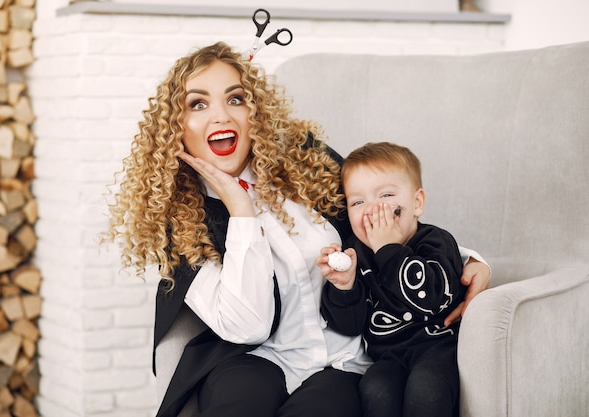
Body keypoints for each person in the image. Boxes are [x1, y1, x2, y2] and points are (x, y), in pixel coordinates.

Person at [102, 42, 490, 417]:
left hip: (344, 358)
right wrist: (241, 212)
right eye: (198, 104)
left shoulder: (307, 164)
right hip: (252, 358)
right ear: (175, 128)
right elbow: (249, 329)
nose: (221, 116)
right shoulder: (180, 221)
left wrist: (467, 259)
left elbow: (380, 212)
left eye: (235, 98)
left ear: (256, 111)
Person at [317, 142, 467, 417]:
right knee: (376, 389)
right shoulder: (355, 252)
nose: (373, 210)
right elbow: (350, 326)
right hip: (387, 358)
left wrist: (389, 250)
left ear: (417, 202)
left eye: (385, 195)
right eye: (358, 202)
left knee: (427, 388)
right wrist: (344, 286)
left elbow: (431, 299)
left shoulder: (435, 242)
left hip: (439, 347)